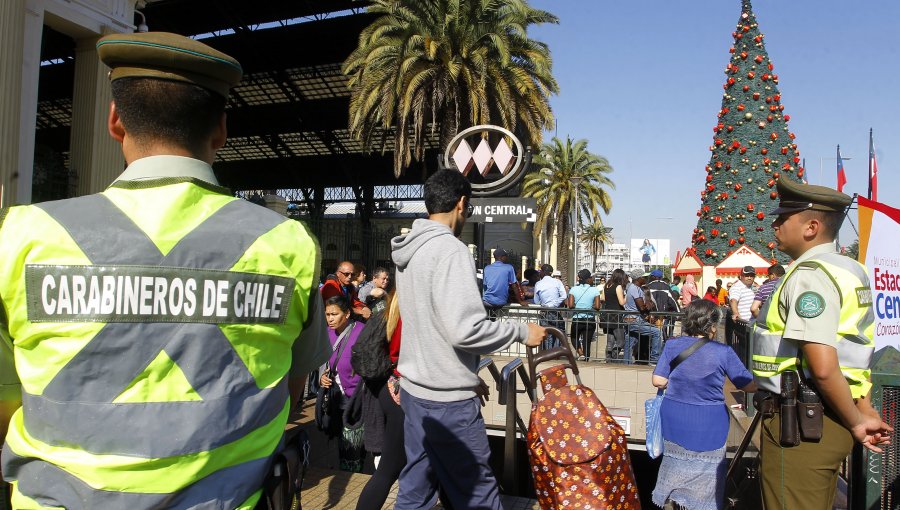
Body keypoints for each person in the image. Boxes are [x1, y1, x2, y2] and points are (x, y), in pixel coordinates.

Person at [0, 32, 331, 508]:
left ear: (115, 121)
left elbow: (9, 393)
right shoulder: (286, 244)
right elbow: (291, 391)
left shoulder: (24, 234)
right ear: (220, 130)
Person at [390, 169, 546, 510]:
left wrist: (462, 372)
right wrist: (523, 331)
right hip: (449, 404)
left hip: (415, 393)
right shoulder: (451, 251)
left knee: (415, 492)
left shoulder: (407, 251)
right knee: (478, 496)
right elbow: (466, 330)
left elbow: (429, 324)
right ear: (462, 204)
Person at [752, 178, 892, 509]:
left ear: (811, 227)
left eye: (783, 217)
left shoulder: (809, 276)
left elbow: (825, 368)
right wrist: (861, 406)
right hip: (831, 420)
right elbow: (856, 349)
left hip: (801, 428)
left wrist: (859, 424)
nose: (774, 224)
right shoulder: (850, 269)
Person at [651, 300, 757, 510]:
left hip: (675, 415)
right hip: (709, 420)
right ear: (712, 325)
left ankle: (672, 501)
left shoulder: (672, 345)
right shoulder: (722, 351)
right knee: (707, 476)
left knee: (674, 464)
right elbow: (748, 385)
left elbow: (658, 380)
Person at [356, 291, 405, 509]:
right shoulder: (413, 312)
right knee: (390, 469)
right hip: (404, 393)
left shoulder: (388, 311)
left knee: (389, 469)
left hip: (388, 388)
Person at [320, 295, 367, 472]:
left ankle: (352, 475)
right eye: (327, 314)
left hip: (355, 399)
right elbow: (322, 362)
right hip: (333, 397)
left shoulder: (361, 332)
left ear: (347, 313)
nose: (330, 319)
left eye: (334, 314)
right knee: (338, 441)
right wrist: (322, 377)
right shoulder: (326, 333)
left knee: (352, 448)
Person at [624, 268, 662, 364]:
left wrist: (647, 304)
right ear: (638, 278)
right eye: (644, 277)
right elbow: (642, 307)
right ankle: (654, 359)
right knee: (656, 332)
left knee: (630, 342)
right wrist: (648, 305)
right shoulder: (634, 288)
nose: (646, 278)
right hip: (633, 320)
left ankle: (626, 363)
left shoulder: (636, 288)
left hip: (633, 320)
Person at [566, 269, 601, 360]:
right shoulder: (594, 290)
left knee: (574, 338)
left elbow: (570, 305)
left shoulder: (573, 289)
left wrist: (577, 306)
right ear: (588, 279)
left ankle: (581, 354)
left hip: (577, 318)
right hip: (590, 319)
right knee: (587, 342)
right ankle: (586, 361)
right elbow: (597, 306)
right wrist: (590, 306)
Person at [482, 248, 528, 312]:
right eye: (506, 256)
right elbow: (514, 286)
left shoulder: (487, 268)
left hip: (487, 301)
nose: (507, 258)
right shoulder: (509, 267)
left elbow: (485, 286)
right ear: (502, 257)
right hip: (501, 302)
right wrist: (520, 301)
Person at [533, 264, 567, 347]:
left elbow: (536, 301)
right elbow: (564, 296)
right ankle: (556, 353)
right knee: (559, 331)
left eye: (540, 271)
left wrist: (544, 305)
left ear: (543, 272)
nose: (539, 273)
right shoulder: (557, 282)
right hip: (555, 311)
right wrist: (554, 304)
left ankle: (549, 353)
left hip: (544, 312)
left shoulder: (538, 283)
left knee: (547, 334)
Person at [602, 269, 628, 361]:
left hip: (607, 315)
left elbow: (603, 298)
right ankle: (613, 356)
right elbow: (622, 302)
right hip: (616, 316)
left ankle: (608, 359)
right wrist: (627, 297)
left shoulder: (607, 285)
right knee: (621, 341)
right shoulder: (618, 287)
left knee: (610, 341)